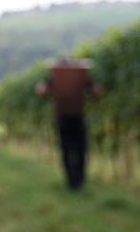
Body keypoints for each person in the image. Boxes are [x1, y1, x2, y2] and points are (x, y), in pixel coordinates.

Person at [36, 58, 100, 190]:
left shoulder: (78, 77)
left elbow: (96, 91)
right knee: (73, 149)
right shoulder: (56, 78)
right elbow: (41, 90)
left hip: (74, 117)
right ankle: (74, 182)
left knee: (75, 150)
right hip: (67, 117)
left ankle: (76, 182)